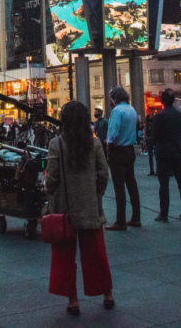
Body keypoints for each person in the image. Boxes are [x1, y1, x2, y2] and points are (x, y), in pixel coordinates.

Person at [45, 100, 114, 316]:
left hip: (64, 210)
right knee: (96, 253)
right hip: (90, 207)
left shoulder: (56, 144)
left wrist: (48, 189)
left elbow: (52, 180)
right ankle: (106, 294)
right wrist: (96, 194)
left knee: (65, 257)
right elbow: (103, 174)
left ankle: (73, 300)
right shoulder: (94, 144)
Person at [104, 86, 141, 230]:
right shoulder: (132, 110)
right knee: (132, 184)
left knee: (119, 187)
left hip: (118, 151)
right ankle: (136, 217)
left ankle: (120, 221)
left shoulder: (116, 111)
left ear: (114, 98)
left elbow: (112, 135)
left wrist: (108, 152)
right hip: (130, 149)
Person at [152, 88, 181, 222]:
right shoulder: (179, 114)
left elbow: (154, 135)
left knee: (164, 184)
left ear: (162, 100)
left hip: (163, 152)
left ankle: (164, 213)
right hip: (177, 151)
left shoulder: (159, 115)